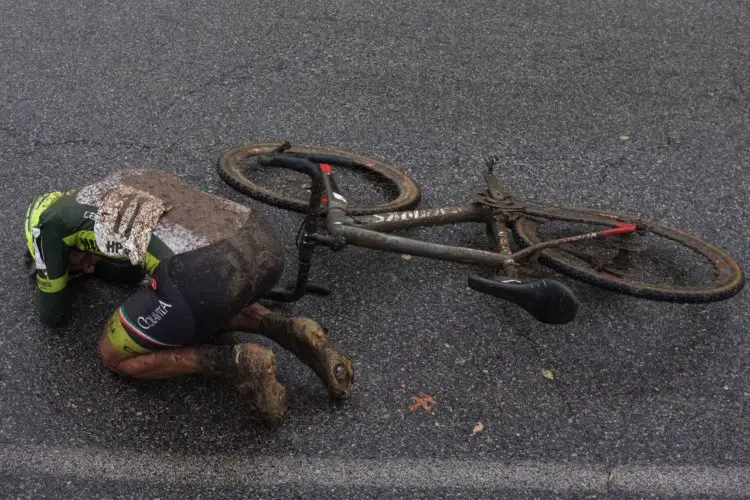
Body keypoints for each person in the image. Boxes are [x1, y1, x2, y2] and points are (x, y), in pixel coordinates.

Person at [23, 168, 353, 425]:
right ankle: (289, 328)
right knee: (205, 291)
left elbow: (54, 314)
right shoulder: (124, 180)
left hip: (206, 275)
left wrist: (54, 269)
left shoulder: (49, 224)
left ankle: (237, 362)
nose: (85, 268)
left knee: (113, 354)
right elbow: (131, 271)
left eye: (73, 262)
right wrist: (91, 258)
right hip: (262, 243)